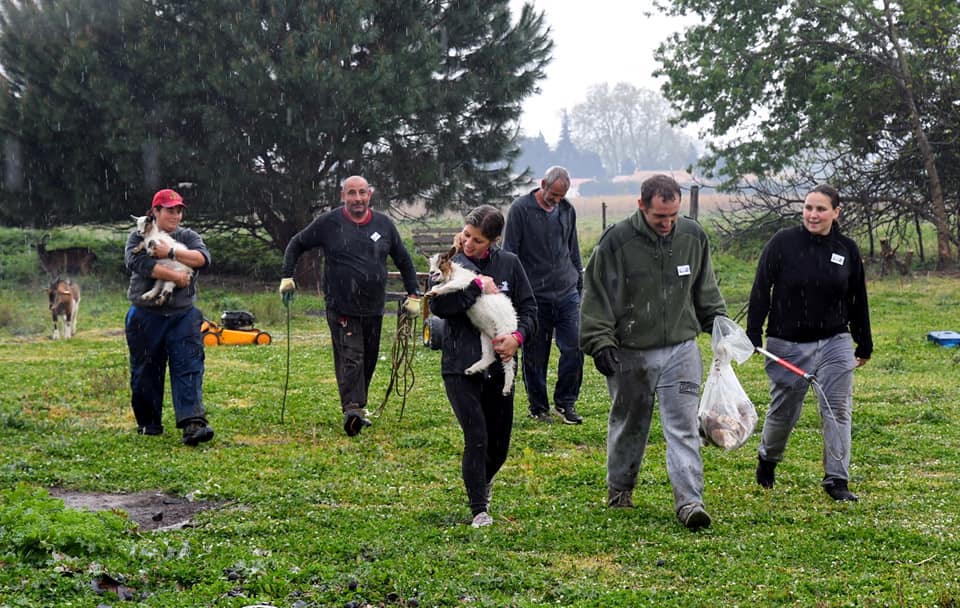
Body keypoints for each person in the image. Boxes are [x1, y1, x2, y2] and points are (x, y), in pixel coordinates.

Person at [579, 174, 726, 530]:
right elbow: (596, 297)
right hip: (632, 352)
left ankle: (690, 502)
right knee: (631, 423)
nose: (667, 223)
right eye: (660, 216)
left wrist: (719, 324)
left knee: (684, 427)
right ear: (641, 206)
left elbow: (705, 288)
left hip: (681, 350)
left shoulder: (693, 237)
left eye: (673, 216)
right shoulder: (616, 242)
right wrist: (600, 342)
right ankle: (620, 490)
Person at [747, 184, 872, 502]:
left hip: (835, 340)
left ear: (836, 212)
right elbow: (762, 287)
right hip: (787, 341)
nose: (813, 215)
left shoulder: (846, 249)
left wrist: (863, 341)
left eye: (820, 209)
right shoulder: (783, 243)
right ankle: (768, 459)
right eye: (808, 208)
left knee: (838, 408)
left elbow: (857, 297)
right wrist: (753, 332)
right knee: (784, 410)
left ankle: (836, 480)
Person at [278, 175, 421, 437]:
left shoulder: (384, 225)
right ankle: (352, 409)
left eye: (362, 193)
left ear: (370, 195)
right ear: (343, 196)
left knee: (369, 359)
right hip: (341, 305)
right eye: (352, 193)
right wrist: (288, 276)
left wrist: (414, 293)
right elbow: (297, 243)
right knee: (351, 356)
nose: (357, 198)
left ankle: (357, 406)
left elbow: (404, 259)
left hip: (374, 307)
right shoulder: (329, 223)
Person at [428, 205, 537, 528]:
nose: (468, 243)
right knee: (476, 435)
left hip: (499, 362)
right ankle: (479, 508)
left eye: (477, 240)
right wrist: (476, 287)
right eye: (466, 235)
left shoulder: (510, 265)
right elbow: (439, 305)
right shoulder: (452, 263)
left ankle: (481, 480)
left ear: (493, 240)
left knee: (499, 444)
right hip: (460, 365)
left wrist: (517, 337)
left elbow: (529, 308)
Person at [124, 188, 214, 446]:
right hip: (145, 314)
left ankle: (193, 424)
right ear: (155, 211)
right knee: (145, 371)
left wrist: (172, 253)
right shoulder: (138, 235)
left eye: (178, 210)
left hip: (182, 314)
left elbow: (203, 259)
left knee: (189, 365)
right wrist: (176, 276)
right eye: (169, 209)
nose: (175, 215)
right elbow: (138, 263)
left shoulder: (188, 236)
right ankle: (149, 424)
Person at [502, 166, 585, 424]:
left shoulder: (567, 210)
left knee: (574, 346)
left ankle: (566, 403)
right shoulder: (520, 210)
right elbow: (510, 253)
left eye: (562, 196)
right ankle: (538, 407)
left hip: (566, 292)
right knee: (536, 355)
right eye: (554, 195)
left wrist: (578, 281)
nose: (557, 201)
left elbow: (573, 248)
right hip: (534, 295)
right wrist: (514, 293)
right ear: (543, 185)